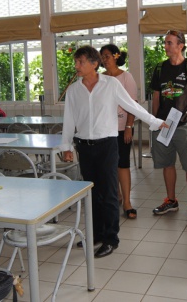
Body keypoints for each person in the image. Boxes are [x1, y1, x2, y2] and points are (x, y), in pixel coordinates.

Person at [60, 45, 167, 258]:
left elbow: (131, 106)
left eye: (81, 62)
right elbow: (69, 118)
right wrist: (66, 146)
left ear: (94, 63)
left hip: (107, 145)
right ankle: (96, 234)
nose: (77, 66)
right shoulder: (73, 90)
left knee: (108, 193)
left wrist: (155, 122)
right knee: (92, 193)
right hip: (85, 146)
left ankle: (111, 239)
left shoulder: (111, 84)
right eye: (76, 62)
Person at [150, 30, 187, 221]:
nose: (165, 46)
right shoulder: (159, 68)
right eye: (165, 42)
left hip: (184, 126)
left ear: (180, 45)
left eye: (169, 43)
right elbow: (156, 96)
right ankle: (171, 201)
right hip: (164, 126)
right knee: (167, 164)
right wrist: (156, 121)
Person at [100, 44, 137, 219]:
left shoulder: (126, 77)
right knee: (110, 166)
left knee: (123, 165)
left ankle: (128, 202)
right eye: (102, 56)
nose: (104, 59)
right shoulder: (100, 79)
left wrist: (129, 126)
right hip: (105, 129)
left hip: (123, 129)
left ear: (116, 56)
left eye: (107, 56)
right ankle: (117, 196)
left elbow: (132, 105)